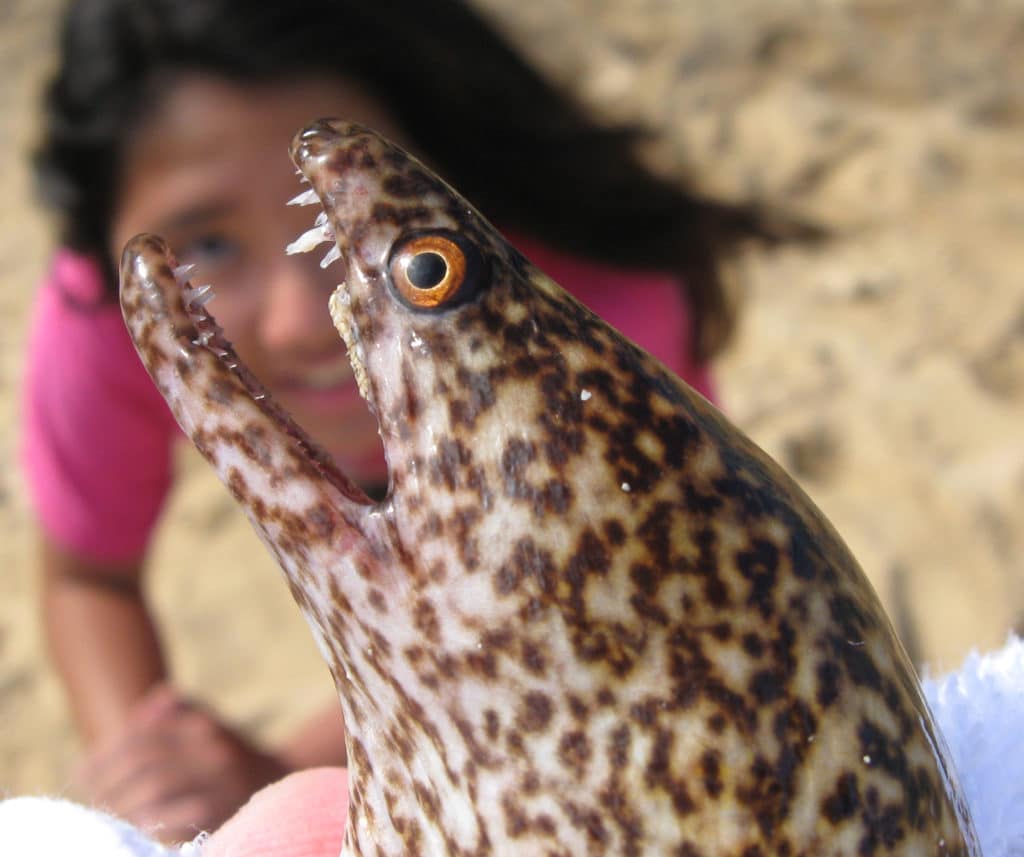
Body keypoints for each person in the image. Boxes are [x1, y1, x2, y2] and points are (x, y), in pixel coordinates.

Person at [25, 0, 779, 843]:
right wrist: (156, 779)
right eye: (210, 244)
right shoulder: (111, 311)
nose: (302, 319)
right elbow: (90, 575)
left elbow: (607, 632)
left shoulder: (607, 309)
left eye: (411, 260)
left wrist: (287, 776)